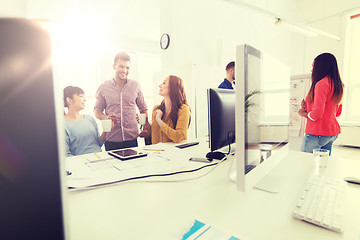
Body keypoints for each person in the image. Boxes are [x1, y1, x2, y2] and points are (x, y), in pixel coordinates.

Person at [94, 52, 148, 151]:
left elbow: (143, 108)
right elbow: (97, 111)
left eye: (127, 68)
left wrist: (144, 126)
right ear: (114, 67)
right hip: (111, 139)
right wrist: (106, 117)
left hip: (132, 138)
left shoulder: (135, 86)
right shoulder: (103, 87)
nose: (124, 70)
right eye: (121, 67)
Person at [298, 53, 344, 155]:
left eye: (313, 66)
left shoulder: (321, 83)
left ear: (320, 67)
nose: (311, 69)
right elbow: (337, 113)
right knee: (322, 164)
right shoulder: (339, 85)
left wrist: (303, 113)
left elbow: (317, 114)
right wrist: (309, 106)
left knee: (306, 163)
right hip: (331, 133)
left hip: (316, 133)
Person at [140, 75, 190, 144]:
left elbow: (178, 137)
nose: (159, 86)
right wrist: (146, 124)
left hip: (174, 153)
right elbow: (153, 134)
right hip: (157, 153)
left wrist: (159, 121)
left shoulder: (183, 109)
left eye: (164, 83)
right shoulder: (156, 109)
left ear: (173, 87)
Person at [64, 86, 110, 157]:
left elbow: (98, 144)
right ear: (69, 100)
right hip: (81, 163)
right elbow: (66, 155)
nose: (85, 99)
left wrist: (106, 131)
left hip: (99, 157)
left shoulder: (90, 118)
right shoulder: (62, 124)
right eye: (81, 96)